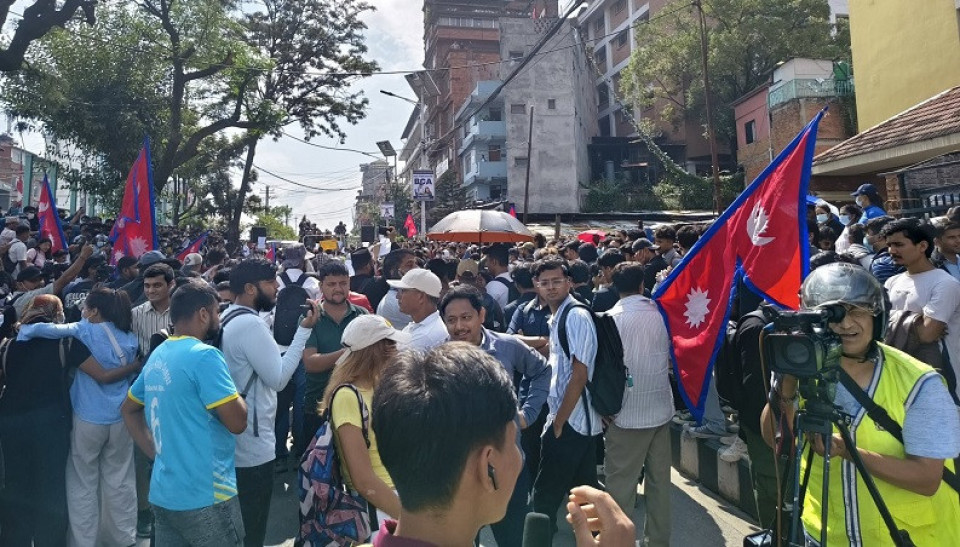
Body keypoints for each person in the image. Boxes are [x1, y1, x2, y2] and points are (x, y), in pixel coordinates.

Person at [761, 263, 960, 545]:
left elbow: (927, 479)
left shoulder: (919, 383)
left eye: (856, 311)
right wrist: (786, 385)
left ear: (878, 316)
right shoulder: (802, 365)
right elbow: (775, 440)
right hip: (824, 535)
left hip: (909, 538)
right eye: (832, 314)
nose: (845, 324)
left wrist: (847, 450)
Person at [122, 280, 249, 547]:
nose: (218, 318)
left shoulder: (159, 354)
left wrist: (154, 452)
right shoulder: (205, 357)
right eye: (216, 312)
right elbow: (238, 423)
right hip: (206, 495)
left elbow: (129, 409)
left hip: (164, 492)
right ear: (203, 313)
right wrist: (237, 393)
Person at [19, 288, 141, 546]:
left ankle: (84, 541)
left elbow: (43, 330)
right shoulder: (130, 337)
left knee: (82, 482)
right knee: (120, 480)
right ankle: (123, 537)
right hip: (122, 418)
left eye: (86, 307)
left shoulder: (85, 329)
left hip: (88, 417)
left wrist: (24, 328)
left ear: (95, 310)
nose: (83, 311)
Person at [440, 285, 551, 546]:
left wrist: (528, 413)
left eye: (466, 317)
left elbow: (542, 371)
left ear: (481, 314)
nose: (459, 326)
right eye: (451, 320)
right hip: (460, 471)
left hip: (507, 466)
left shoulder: (507, 346)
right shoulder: (438, 358)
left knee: (512, 538)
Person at [221, 259, 318, 546]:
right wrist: (304, 331)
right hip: (252, 443)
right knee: (252, 528)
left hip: (233, 436)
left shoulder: (227, 317)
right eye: (270, 282)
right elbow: (278, 379)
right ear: (251, 288)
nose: (277, 287)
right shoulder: (250, 324)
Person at [531, 259, 601, 536]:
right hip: (575, 420)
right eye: (544, 282)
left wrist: (559, 422)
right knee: (584, 494)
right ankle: (593, 541)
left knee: (544, 497)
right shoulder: (558, 315)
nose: (550, 287)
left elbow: (580, 373)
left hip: (571, 421)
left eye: (556, 281)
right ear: (536, 286)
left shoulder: (575, 315)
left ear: (569, 281)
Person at [603, 263, 671, 546]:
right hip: (660, 408)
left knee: (621, 487)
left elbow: (604, 369)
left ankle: (619, 541)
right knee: (660, 485)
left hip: (625, 414)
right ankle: (657, 541)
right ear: (642, 285)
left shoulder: (610, 319)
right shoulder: (662, 313)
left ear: (613, 284)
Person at [319, 315, 408, 531]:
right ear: (378, 349)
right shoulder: (348, 396)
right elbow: (363, 480)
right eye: (391, 343)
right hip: (381, 507)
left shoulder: (379, 386)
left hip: (397, 498)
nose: (396, 350)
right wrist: (412, 520)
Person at [0, 295, 73, 545]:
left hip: (13, 423)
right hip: (51, 423)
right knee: (51, 484)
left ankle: (15, 539)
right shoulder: (63, 343)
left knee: (16, 483)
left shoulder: (8, 345)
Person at [881, 218, 960, 400]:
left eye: (899, 244)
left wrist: (892, 320)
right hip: (901, 374)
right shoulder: (892, 282)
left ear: (922, 246)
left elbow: (927, 334)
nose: (892, 251)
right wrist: (916, 320)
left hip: (942, 378)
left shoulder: (945, 283)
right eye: (890, 245)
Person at [301, 261, 367, 456]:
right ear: (321, 287)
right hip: (318, 406)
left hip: (356, 405)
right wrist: (349, 351)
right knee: (318, 474)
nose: (338, 289)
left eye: (343, 283)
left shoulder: (362, 316)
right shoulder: (311, 317)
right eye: (331, 284)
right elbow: (311, 363)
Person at [392, 268, 447, 352]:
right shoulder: (419, 325)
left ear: (420, 296)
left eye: (403, 291)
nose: (397, 296)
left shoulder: (425, 336)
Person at [376, 249, 417, 330]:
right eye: (409, 265)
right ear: (393, 271)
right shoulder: (397, 301)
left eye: (416, 264)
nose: (416, 268)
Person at [483, 244, 516, 309]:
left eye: (487, 260)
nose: (486, 264)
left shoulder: (492, 286)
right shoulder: (515, 278)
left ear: (494, 262)